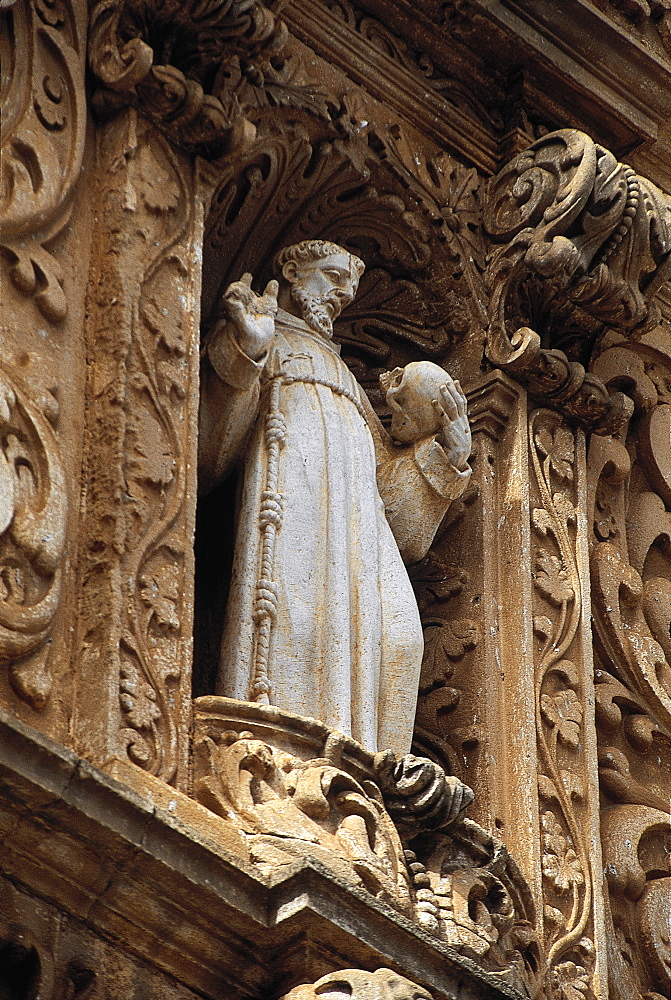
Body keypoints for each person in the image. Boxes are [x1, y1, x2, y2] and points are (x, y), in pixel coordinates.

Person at [199, 240, 471, 754]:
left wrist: (448, 454)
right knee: (295, 626)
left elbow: (394, 508)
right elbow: (209, 448)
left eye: (349, 286)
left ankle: (375, 779)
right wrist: (246, 351)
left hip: (357, 539)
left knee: (401, 640)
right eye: (332, 276)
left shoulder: (347, 376)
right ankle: (278, 760)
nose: (343, 294)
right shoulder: (266, 337)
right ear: (293, 272)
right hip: (293, 520)